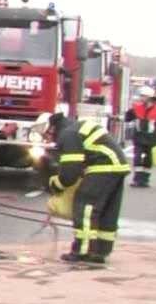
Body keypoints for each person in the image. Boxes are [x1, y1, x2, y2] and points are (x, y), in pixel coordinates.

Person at [40, 112, 130, 265]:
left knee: (86, 206)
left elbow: (70, 172)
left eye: (45, 135)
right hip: (116, 166)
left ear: (52, 129)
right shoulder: (74, 128)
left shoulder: (68, 134)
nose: (46, 139)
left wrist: (56, 185)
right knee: (107, 210)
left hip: (102, 167)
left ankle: (82, 250)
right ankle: (101, 250)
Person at [125, 86, 156, 188]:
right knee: (137, 157)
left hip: (151, 137)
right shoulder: (136, 108)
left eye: (143, 96)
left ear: (149, 97)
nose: (141, 98)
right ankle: (137, 179)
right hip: (139, 136)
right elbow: (127, 118)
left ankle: (145, 179)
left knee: (148, 158)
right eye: (141, 96)